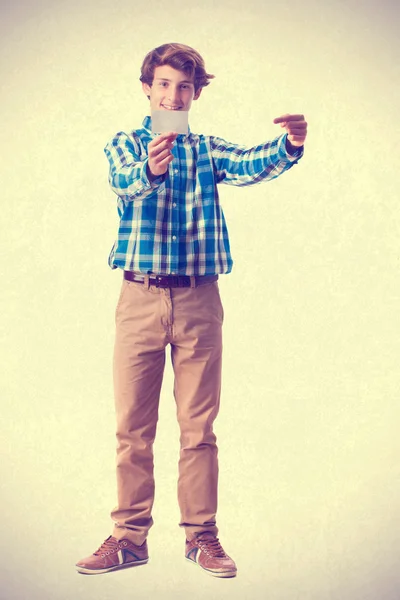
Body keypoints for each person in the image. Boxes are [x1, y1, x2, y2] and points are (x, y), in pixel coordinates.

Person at [76, 42, 307, 579]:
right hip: (138, 297)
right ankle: (129, 537)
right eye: (163, 85)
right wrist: (150, 172)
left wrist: (289, 145)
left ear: (196, 93)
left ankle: (201, 536)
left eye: (184, 87)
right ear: (146, 88)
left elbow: (250, 163)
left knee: (198, 427)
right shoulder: (125, 144)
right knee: (132, 427)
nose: (172, 95)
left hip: (200, 298)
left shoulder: (205, 149)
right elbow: (123, 182)